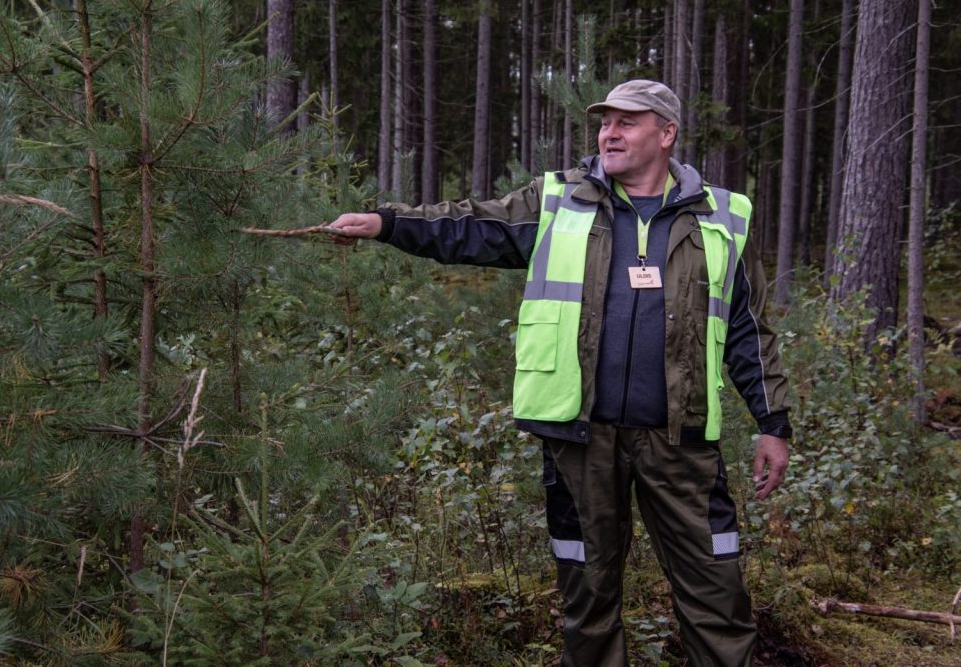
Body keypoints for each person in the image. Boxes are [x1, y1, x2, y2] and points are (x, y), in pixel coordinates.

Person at [330, 79, 791, 667]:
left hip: (682, 441)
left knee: (715, 593)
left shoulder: (725, 215)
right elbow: (472, 225)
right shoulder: (558, 201)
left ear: (666, 134)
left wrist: (773, 423)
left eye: (626, 122)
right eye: (605, 123)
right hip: (581, 438)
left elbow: (749, 330)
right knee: (588, 597)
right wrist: (388, 223)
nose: (609, 133)